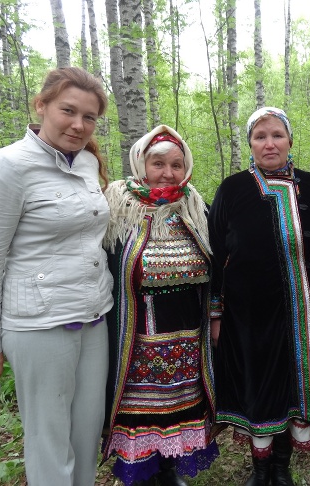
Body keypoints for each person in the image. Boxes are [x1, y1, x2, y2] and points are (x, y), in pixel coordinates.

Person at [0, 67, 113, 486]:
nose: (78, 124)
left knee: (87, 430)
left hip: (93, 317)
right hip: (39, 325)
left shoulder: (86, 162)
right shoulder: (9, 167)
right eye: (68, 110)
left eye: (89, 117)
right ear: (41, 105)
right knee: (49, 438)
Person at [207, 107, 310, 486]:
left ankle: (281, 467)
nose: (269, 143)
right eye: (260, 137)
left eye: (277, 135)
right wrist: (215, 313)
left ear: (290, 140)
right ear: (250, 144)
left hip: (303, 313)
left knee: (292, 388)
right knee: (259, 388)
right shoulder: (232, 189)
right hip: (249, 315)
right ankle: (260, 469)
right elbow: (214, 253)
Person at [101, 125, 218, 486]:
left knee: (180, 408)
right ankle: (143, 473)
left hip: (187, 336)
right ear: (141, 164)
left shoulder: (196, 208)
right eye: (158, 164)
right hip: (137, 338)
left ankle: (168, 470)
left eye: (176, 165)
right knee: (142, 411)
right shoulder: (116, 208)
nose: (168, 173)